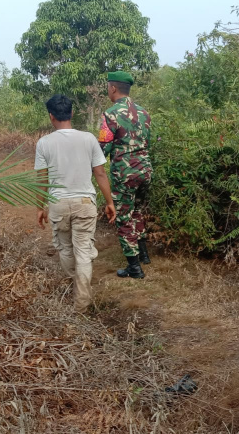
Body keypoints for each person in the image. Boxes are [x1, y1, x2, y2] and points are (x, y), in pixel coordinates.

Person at [35, 94, 116, 313]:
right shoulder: (88, 139)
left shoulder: (44, 143)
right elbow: (99, 172)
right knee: (83, 252)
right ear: (71, 113)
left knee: (65, 250)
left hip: (58, 204)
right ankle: (82, 303)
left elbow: (42, 179)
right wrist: (109, 202)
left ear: (51, 116)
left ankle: (75, 290)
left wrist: (39, 207)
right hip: (84, 203)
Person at [98, 71, 152, 279]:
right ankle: (144, 254)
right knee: (137, 210)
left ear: (113, 88)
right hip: (145, 170)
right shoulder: (144, 113)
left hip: (125, 173)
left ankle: (134, 267)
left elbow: (102, 149)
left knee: (123, 216)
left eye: (107, 87)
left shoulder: (110, 115)